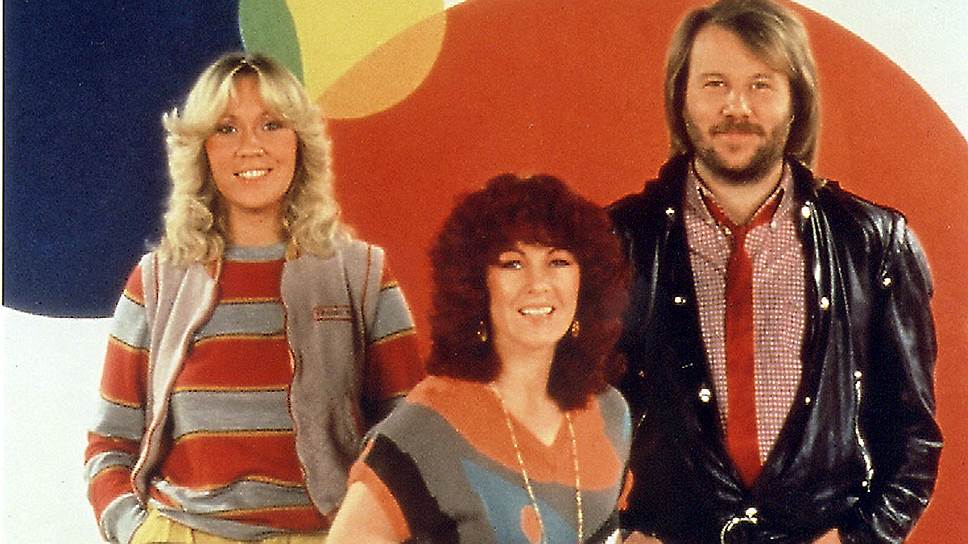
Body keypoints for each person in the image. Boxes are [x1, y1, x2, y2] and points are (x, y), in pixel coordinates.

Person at [609, 1, 942, 542]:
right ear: (680, 95)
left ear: (796, 100)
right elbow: (563, 420)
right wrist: (614, 536)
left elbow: (913, 438)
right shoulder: (617, 240)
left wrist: (856, 539)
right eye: (714, 83)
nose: (736, 106)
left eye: (761, 84)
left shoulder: (873, 241)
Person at [83, 52, 425, 544]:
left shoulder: (362, 274)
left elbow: (410, 439)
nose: (250, 147)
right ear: (201, 149)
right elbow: (109, 441)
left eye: (271, 124)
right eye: (226, 129)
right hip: (184, 533)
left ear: (299, 142)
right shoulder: (156, 282)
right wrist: (137, 534)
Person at [327, 174, 632, 543]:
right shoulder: (426, 428)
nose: (538, 283)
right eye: (512, 264)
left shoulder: (610, 414)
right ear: (475, 284)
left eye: (558, 261)